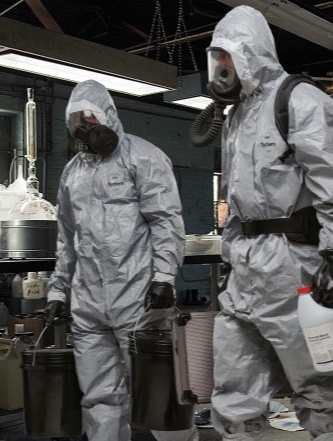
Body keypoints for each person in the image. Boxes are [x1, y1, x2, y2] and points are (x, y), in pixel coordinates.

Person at [207, 5, 333, 440]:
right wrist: (230, 258)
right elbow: (237, 201)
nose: (222, 66)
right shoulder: (235, 116)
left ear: (251, 52)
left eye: (228, 55)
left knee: (321, 378)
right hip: (246, 268)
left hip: (297, 266)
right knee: (234, 380)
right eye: (216, 57)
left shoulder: (301, 100)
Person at [45, 79, 198, 441]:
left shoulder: (143, 156)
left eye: (90, 119)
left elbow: (166, 220)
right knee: (98, 396)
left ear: (108, 117)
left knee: (161, 393)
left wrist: (164, 276)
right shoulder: (73, 172)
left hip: (139, 295)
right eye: (77, 122)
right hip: (88, 301)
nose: (84, 129)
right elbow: (67, 237)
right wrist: (58, 290)